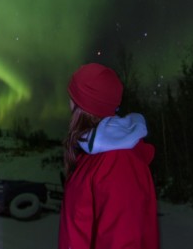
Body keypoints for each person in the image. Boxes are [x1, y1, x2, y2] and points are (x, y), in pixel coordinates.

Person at [58, 63, 159, 249]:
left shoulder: (118, 162)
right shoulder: (92, 154)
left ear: (83, 104)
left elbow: (123, 241)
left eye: (72, 96)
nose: (68, 102)